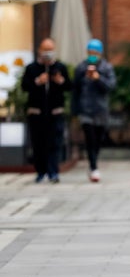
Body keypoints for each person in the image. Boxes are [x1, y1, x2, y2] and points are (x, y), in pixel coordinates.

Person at [21, 38, 72, 183]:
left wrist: (59, 80)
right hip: (36, 113)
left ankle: (53, 172)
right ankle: (40, 171)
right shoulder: (32, 68)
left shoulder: (60, 67)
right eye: (45, 50)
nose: (47, 53)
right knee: (38, 143)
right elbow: (24, 86)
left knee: (55, 143)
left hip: (55, 112)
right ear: (39, 50)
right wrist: (37, 81)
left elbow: (69, 86)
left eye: (50, 50)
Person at [71, 38, 117, 183]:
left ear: (100, 53)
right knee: (89, 138)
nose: (93, 54)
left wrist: (98, 78)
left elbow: (111, 86)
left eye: (95, 52)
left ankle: (93, 162)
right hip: (85, 110)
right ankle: (93, 167)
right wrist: (74, 110)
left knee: (98, 139)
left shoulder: (106, 68)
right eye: (90, 51)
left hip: (101, 110)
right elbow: (75, 90)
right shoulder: (81, 67)